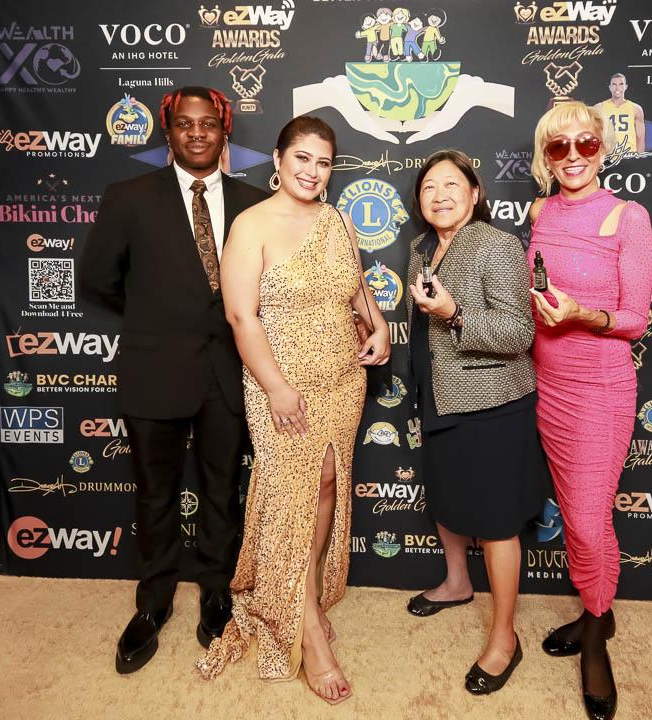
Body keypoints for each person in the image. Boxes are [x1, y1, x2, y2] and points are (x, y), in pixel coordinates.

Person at [196, 116, 390, 705]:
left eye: (323, 162)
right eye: (302, 158)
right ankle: (304, 625)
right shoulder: (251, 224)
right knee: (291, 496)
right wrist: (276, 386)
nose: (312, 171)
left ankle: (303, 596)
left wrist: (378, 323)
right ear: (278, 161)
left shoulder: (337, 221)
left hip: (343, 377)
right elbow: (241, 316)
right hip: (281, 381)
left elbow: (355, 287)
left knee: (327, 483)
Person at [79, 86, 269, 675]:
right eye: (185, 124)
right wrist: (154, 318)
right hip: (153, 367)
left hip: (228, 372)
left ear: (224, 131)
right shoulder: (129, 197)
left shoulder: (254, 203)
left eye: (208, 123)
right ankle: (154, 601)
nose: (197, 132)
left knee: (222, 490)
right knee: (154, 493)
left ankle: (216, 593)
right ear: (168, 132)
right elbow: (97, 280)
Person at [528, 101, 652, 720]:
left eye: (586, 143)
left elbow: (636, 319)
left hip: (601, 388)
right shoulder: (540, 213)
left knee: (583, 519)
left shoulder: (629, 217)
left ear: (603, 148)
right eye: (559, 146)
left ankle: (597, 634)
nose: (574, 155)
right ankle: (594, 610)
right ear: (546, 157)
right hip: (546, 386)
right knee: (584, 513)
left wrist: (583, 314)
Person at [404, 149, 547, 695]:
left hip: (491, 404)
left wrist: (455, 313)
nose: (439, 195)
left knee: (495, 521)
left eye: (451, 185)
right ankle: (457, 582)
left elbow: (518, 333)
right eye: (429, 187)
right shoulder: (421, 249)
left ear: (475, 193)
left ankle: (504, 636)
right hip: (438, 397)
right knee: (447, 499)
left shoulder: (497, 244)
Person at [593, 73, 646, 153]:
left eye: (621, 84)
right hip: (608, 155)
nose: (617, 88)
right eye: (614, 84)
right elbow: (593, 136)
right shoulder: (599, 108)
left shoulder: (636, 109)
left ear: (625, 87)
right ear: (610, 87)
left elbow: (641, 138)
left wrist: (639, 158)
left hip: (629, 155)